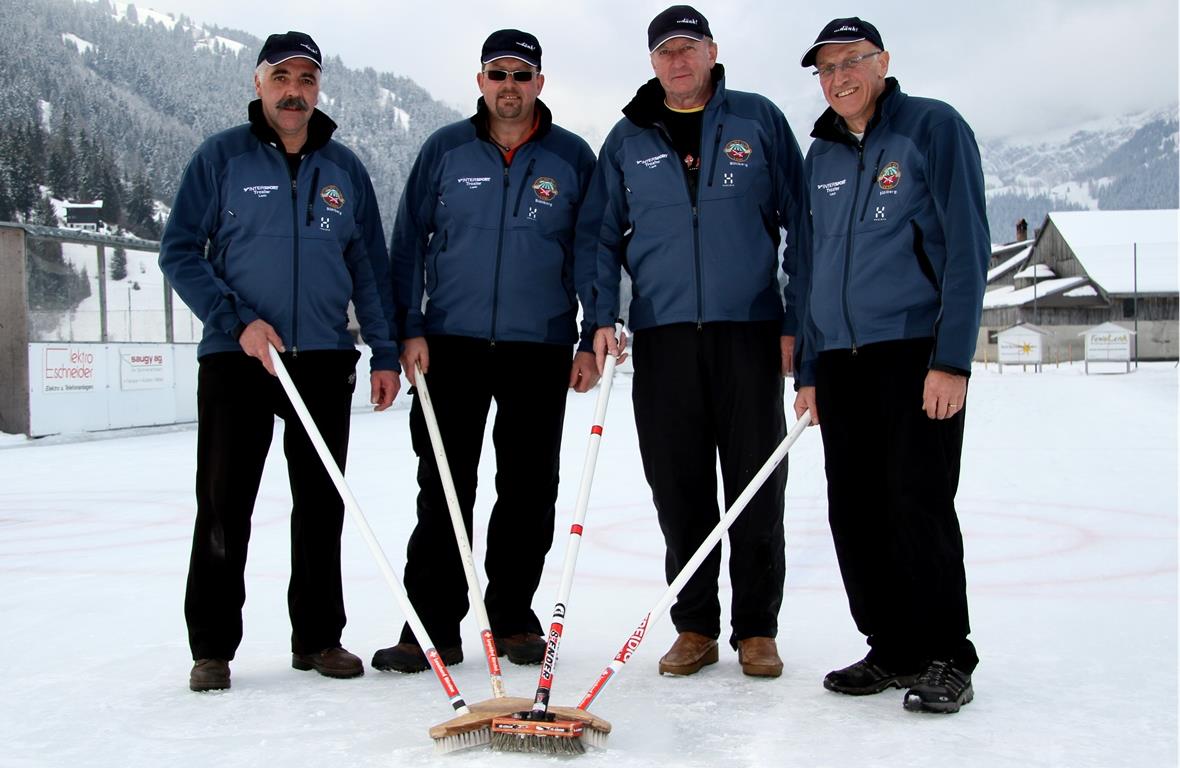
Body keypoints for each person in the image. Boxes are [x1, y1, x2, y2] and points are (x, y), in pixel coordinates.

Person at [159, 31, 400, 692]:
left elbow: (370, 269)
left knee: (321, 505)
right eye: (282, 78)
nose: (295, 92)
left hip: (323, 358)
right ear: (260, 83)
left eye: (307, 80)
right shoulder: (221, 159)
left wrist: (383, 351)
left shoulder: (344, 170)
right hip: (239, 360)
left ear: (318, 89)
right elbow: (180, 249)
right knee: (223, 504)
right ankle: (212, 648)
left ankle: (319, 639)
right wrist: (235, 320)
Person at [580, 5, 809, 678]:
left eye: (690, 47)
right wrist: (601, 315)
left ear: (712, 52)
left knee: (755, 483)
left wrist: (796, 317)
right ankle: (696, 627)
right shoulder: (627, 139)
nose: (678, 61)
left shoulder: (757, 120)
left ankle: (757, 630)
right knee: (679, 488)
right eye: (666, 51)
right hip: (664, 336)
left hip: (750, 332)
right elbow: (598, 237)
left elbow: (803, 222)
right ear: (653, 63)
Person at [371, 29, 598, 673]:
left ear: (539, 84)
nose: (509, 85)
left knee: (528, 487)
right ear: (480, 81)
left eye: (521, 75)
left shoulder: (571, 158)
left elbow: (591, 251)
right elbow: (408, 244)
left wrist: (590, 333)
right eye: (497, 73)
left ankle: (513, 616)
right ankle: (431, 627)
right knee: (444, 485)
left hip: (540, 346)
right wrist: (406, 328)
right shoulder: (445, 150)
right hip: (450, 346)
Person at [792, 17, 989, 713]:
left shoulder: (931, 128)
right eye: (826, 67)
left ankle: (945, 654)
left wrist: (953, 358)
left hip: (913, 352)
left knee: (918, 503)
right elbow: (809, 265)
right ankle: (893, 646)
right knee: (856, 509)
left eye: (852, 62)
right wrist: (808, 368)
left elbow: (967, 246)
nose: (839, 77)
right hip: (840, 360)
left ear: (882, 63)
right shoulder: (820, 156)